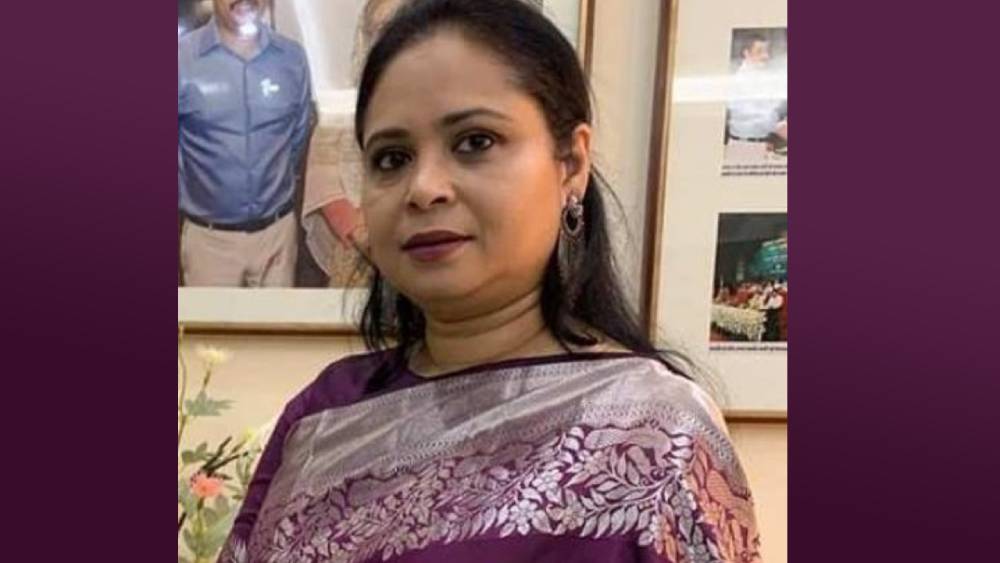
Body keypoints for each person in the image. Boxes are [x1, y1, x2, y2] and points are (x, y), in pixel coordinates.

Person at [219, 1, 761, 561]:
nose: (423, 188)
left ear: (571, 164)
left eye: (475, 142)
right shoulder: (324, 416)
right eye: (392, 158)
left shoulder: (654, 433)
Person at [178, 0, 312, 287]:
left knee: (280, 318)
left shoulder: (292, 58)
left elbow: (296, 138)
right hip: (210, 242)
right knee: (211, 319)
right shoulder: (181, 59)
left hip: (277, 235)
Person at [300, 0, 408, 286]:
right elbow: (326, 192)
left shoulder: (437, 105)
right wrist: (377, 246)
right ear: (366, 36)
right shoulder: (342, 112)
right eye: (381, 29)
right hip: (359, 261)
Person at [725, 33, 787, 161]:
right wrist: (780, 126)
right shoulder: (742, 80)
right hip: (744, 148)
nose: (766, 56)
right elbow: (764, 119)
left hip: (757, 145)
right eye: (759, 51)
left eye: (766, 51)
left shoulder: (759, 78)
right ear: (746, 53)